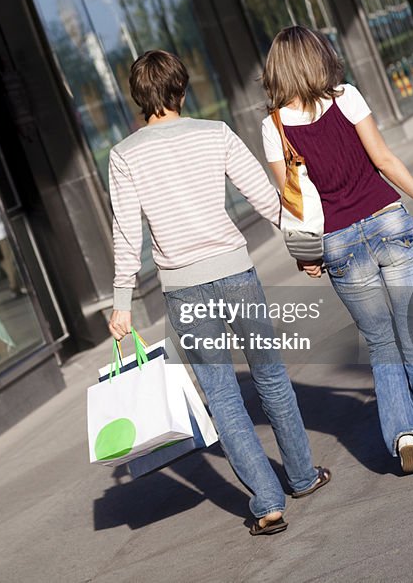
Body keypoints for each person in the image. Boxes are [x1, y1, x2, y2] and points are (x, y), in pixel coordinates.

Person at [108, 50, 330, 536]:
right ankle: (302, 476)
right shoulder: (215, 134)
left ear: (138, 99)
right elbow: (268, 199)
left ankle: (268, 504)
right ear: (181, 91)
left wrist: (122, 302)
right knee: (271, 379)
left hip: (184, 289)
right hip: (237, 273)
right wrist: (307, 250)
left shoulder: (125, 155)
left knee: (223, 399)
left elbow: (128, 236)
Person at [260, 25, 413, 474]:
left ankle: (405, 433)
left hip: (338, 244)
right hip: (389, 222)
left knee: (380, 342)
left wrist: (306, 256)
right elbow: (384, 159)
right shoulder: (346, 96)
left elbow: (290, 200)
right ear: (319, 57)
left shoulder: (273, 126)